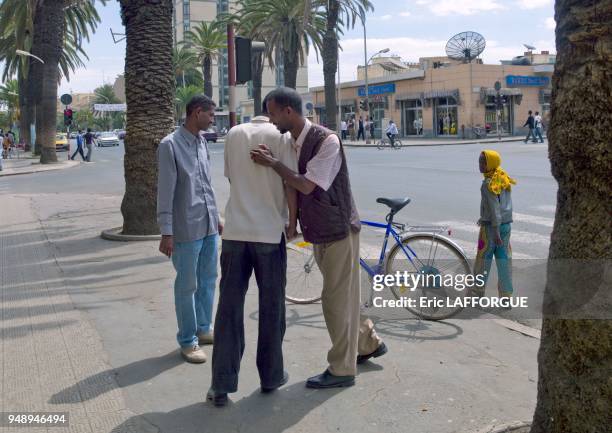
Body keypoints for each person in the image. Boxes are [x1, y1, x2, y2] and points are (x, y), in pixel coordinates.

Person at [251, 87, 387, 390]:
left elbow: (307, 185)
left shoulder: (328, 141)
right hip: (320, 231)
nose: (271, 120)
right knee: (344, 296)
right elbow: (291, 187)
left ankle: (341, 369)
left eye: (273, 113)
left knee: (334, 302)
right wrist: (292, 219)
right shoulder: (291, 141)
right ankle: (368, 343)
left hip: (338, 230)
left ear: (288, 111)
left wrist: (273, 163)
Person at [207, 102, 298, 407]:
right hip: (270, 234)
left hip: (235, 232)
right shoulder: (281, 134)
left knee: (229, 309)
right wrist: (292, 222)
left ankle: (221, 384)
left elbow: (232, 179)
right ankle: (271, 376)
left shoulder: (233, 133)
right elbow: (289, 184)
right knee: (272, 307)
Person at [157, 94, 221, 364]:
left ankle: (203, 328)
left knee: (208, 279)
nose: (212, 119)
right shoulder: (169, 146)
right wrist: (167, 231)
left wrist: (216, 216)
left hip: (207, 226)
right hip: (185, 229)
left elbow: (206, 184)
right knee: (187, 285)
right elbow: (166, 191)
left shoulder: (202, 143)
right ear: (196, 112)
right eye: (210, 115)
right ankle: (187, 340)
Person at [473, 150, 516, 301]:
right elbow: (503, 205)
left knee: (483, 260)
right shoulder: (502, 177)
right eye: (479, 162)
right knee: (504, 261)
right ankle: (506, 297)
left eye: (482, 163)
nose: (480, 165)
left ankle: (476, 294)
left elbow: (494, 209)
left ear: (489, 164)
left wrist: (495, 231)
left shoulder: (487, 183)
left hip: (491, 228)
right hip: (506, 226)